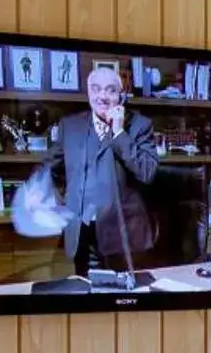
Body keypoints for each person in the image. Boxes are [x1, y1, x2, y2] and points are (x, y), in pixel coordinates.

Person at [42, 63, 160, 271]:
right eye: (95, 89)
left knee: (121, 298)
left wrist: (119, 133)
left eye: (110, 90)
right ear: (88, 92)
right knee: (86, 294)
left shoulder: (140, 126)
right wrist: (57, 201)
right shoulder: (70, 126)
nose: (102, 96)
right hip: (81, 230)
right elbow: (49, 169)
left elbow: (147, 172)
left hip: (123, 234)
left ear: (121, 96)